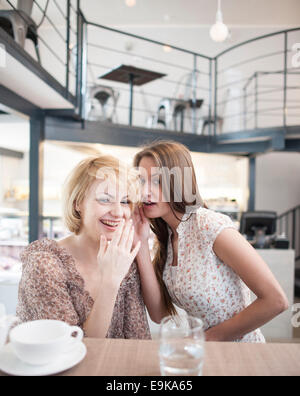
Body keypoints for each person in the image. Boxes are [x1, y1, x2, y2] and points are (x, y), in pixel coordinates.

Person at [133, 140, 289, 342]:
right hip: (205, 355)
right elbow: (159, 314)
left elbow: (276, 301)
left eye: (157, 181)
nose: (145, 192)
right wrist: (141, 244)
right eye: (141, 181)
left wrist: (202, 340)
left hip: (241, 354)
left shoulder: (209, 225)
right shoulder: (169, 237)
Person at [17, 155, 151, 339]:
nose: (118, 212)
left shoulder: (122, 258)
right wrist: (111, 282)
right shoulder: (44, 264)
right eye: (105, 199)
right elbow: (70, 349)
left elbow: (138, 339)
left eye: (125, 201)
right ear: (77, 203)